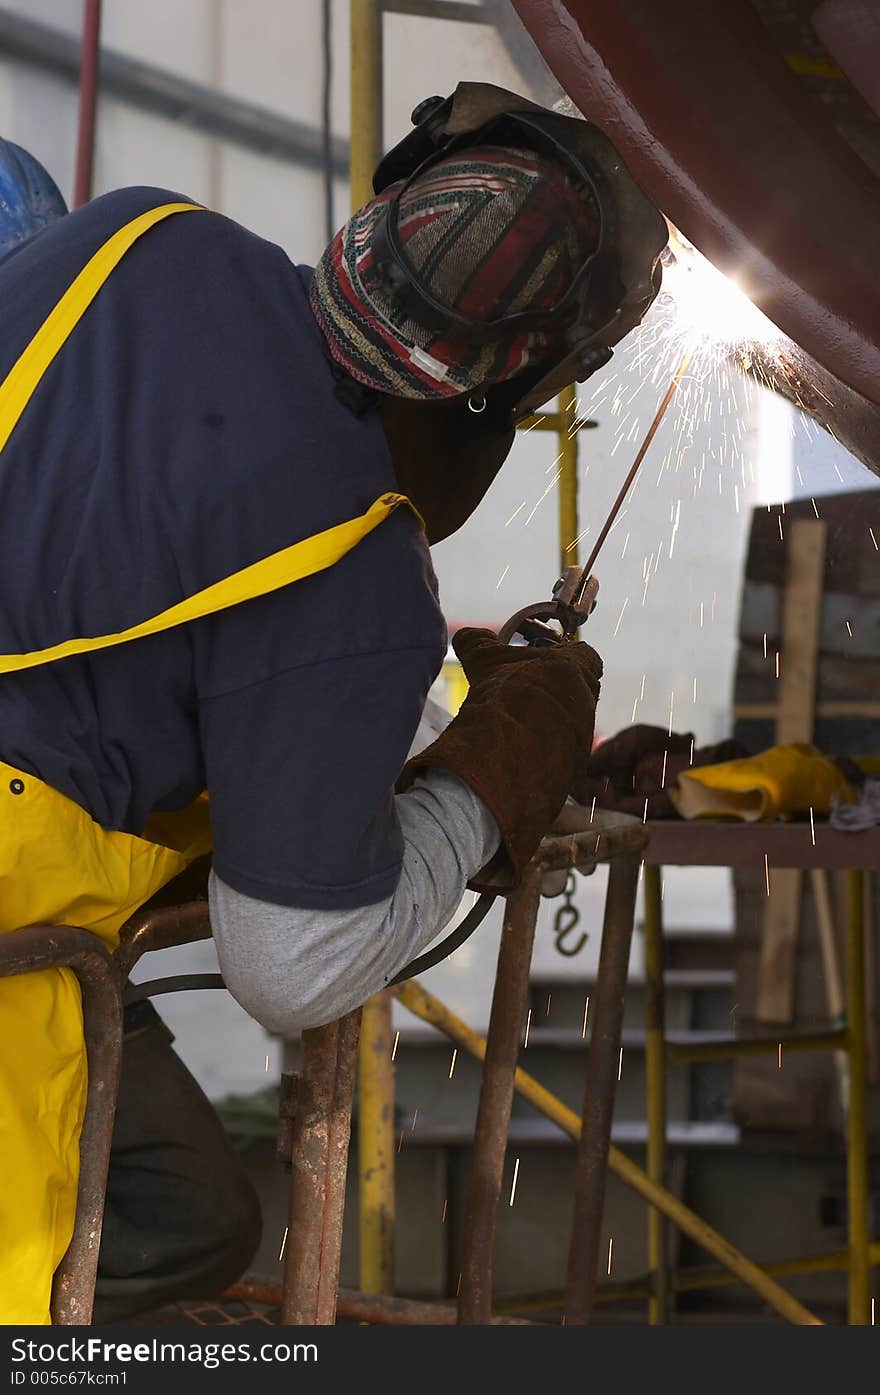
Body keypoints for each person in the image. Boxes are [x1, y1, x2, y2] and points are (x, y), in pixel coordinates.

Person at [0, 84, 666, 1322]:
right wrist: (484, 786)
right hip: (12, 926)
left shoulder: (144, 238)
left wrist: (422, 725)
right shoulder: (349, 571)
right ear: (495, 386)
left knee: (193, 1212)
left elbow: (163, 610)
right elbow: (294, 963)